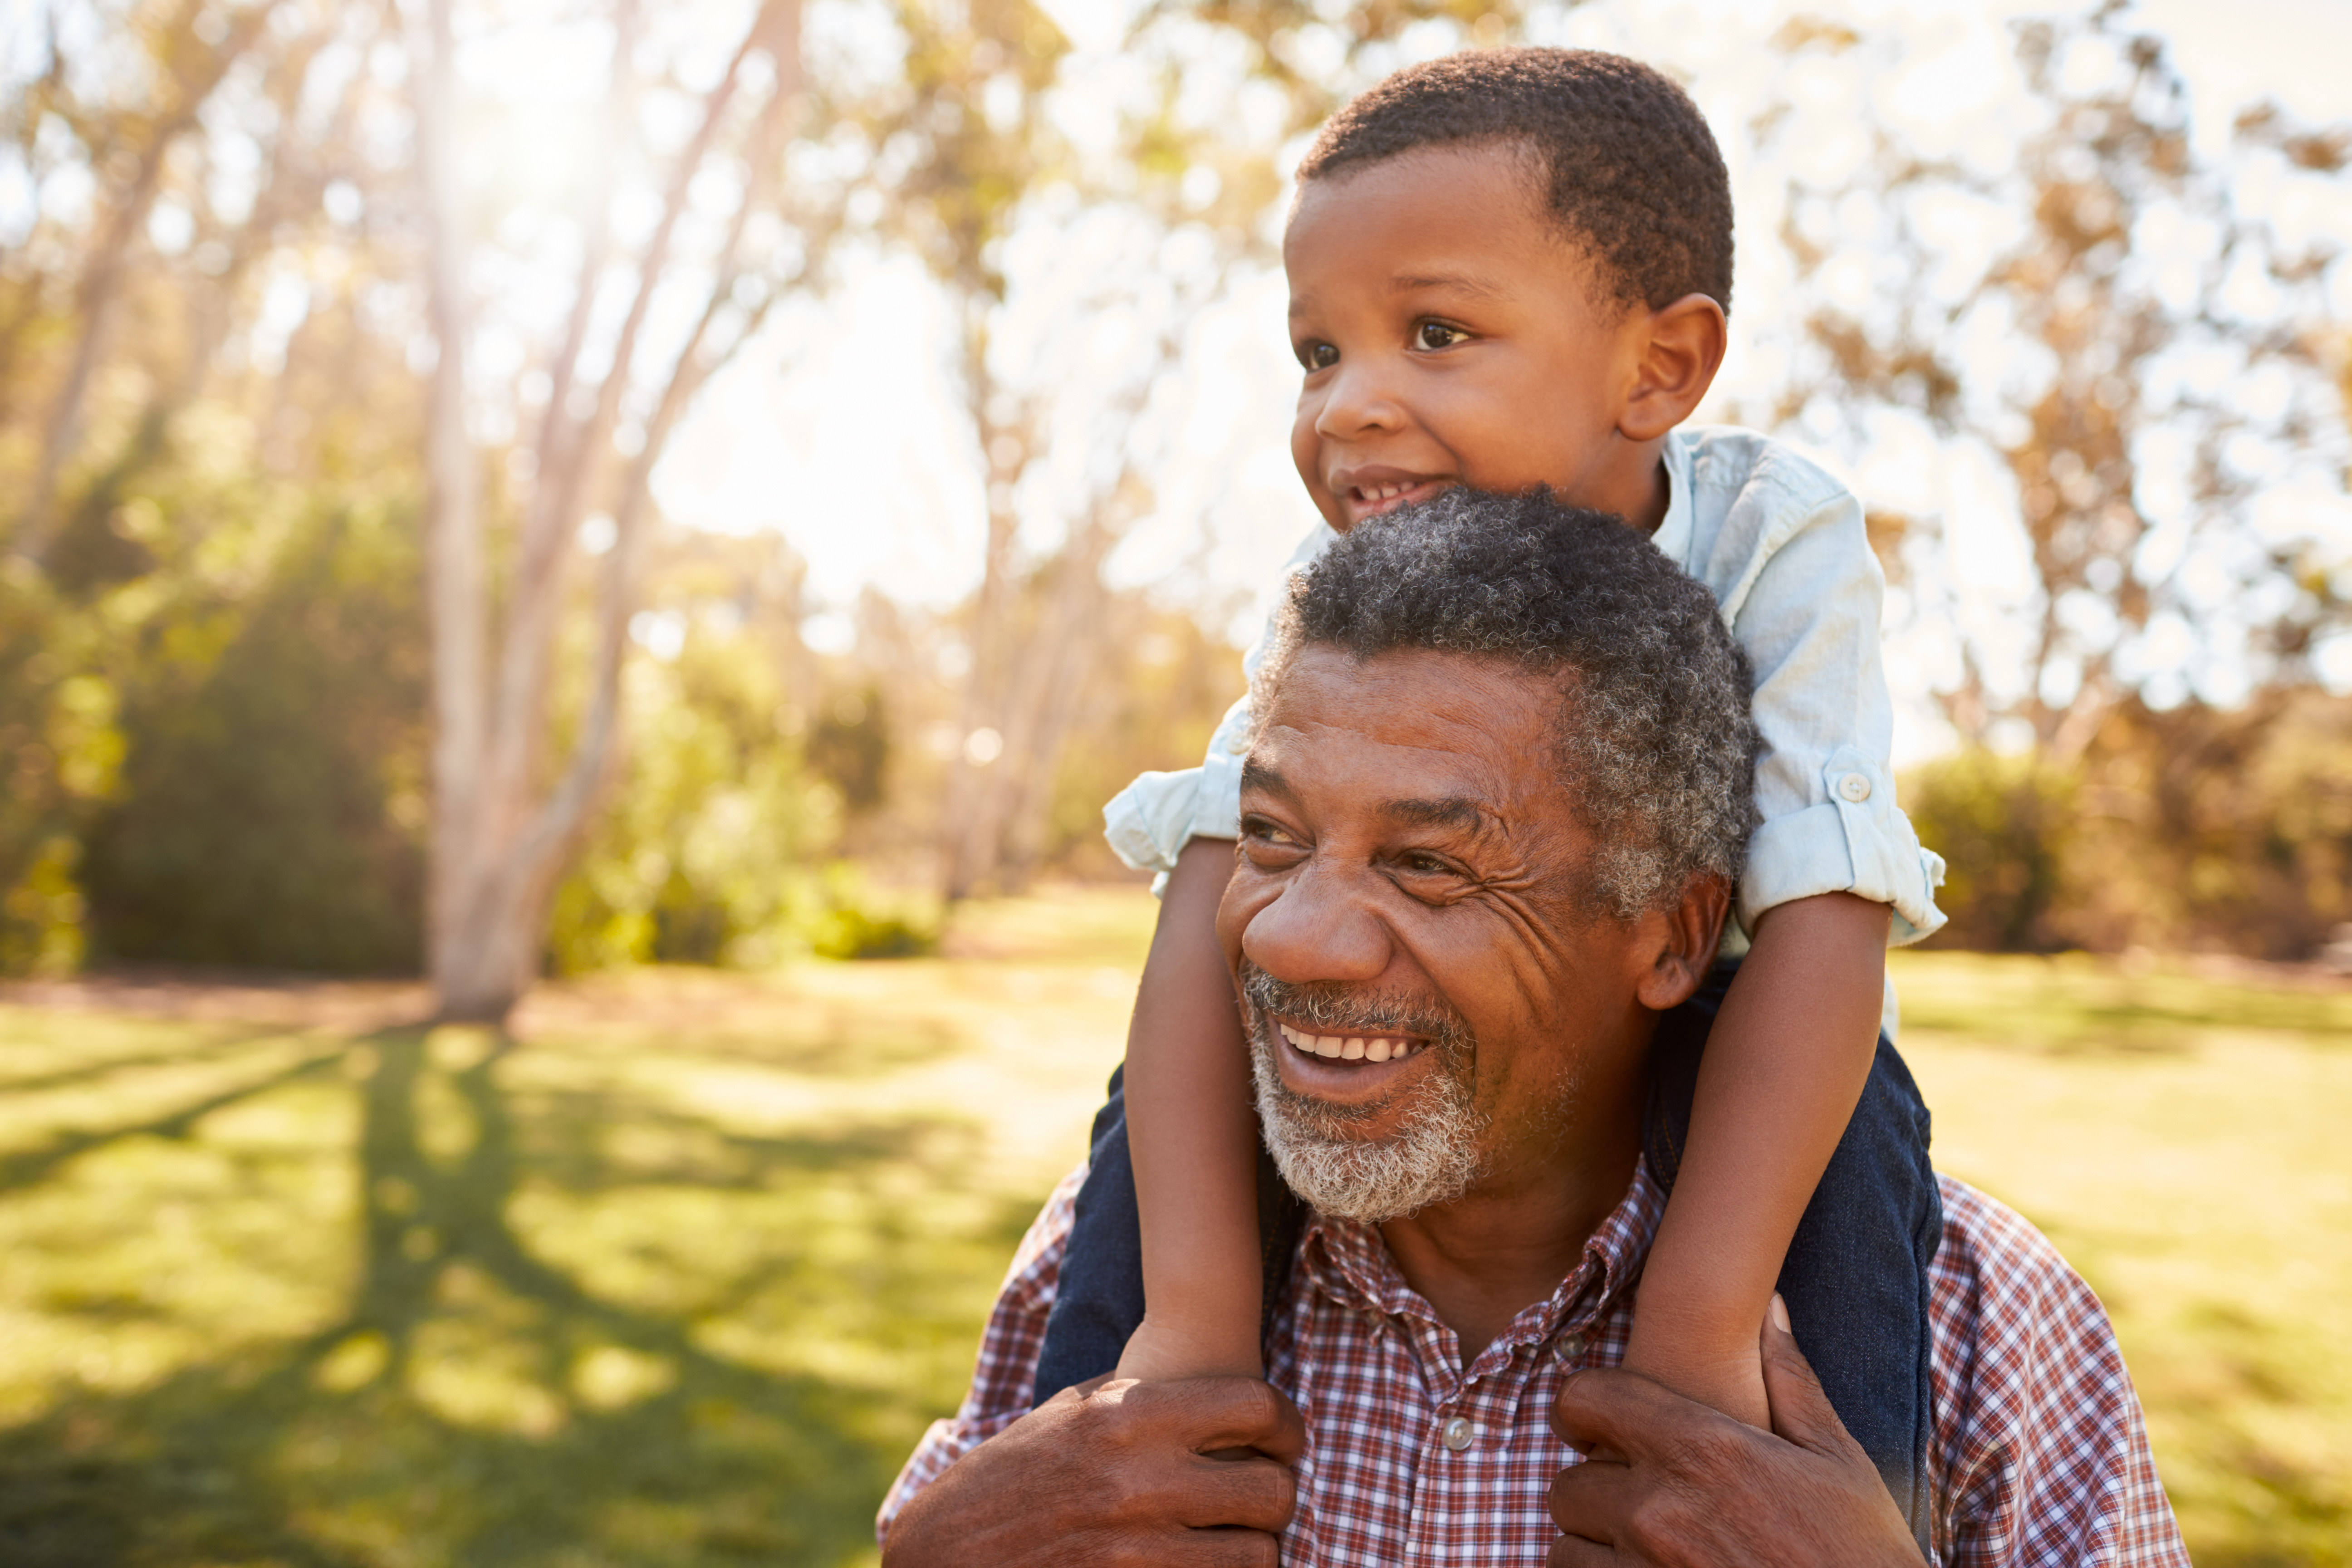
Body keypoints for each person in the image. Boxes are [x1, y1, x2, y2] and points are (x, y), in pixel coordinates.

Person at [877, 491, 2187, 1565]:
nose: (1286, 937)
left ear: (1673, 934)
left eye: (1432, 866)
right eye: (1271, 838)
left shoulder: (1972, 1323)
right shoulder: (1113, 1262)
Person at [1033, 45, 1952, 1537]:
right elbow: (1215, 881)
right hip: (1444, 1065)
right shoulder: (1341, 588)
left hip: (1743, 1033)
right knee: (1157, 1110)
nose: (1350, 409)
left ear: (1658, 367)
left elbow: (1827, 915)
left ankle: (1831, 1512)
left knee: (1858, 1169)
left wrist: (1700, 1331)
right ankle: (1085, 1497)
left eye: (1436, 333)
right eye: (1318, 353)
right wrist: (1189, 1322)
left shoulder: (1773, 537)